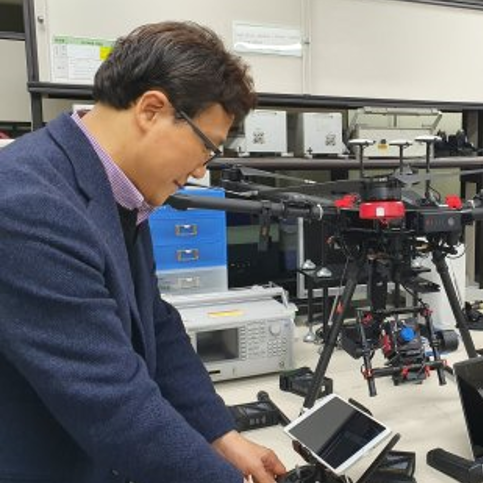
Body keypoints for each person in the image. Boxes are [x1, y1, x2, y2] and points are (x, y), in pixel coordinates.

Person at [0, 22, 287, 483]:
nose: (201, 171)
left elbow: (154, 321)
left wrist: (222, 436)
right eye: (206, 147)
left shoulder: (113, 187)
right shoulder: (29, 204)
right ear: (152, 109)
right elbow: (111, 401)